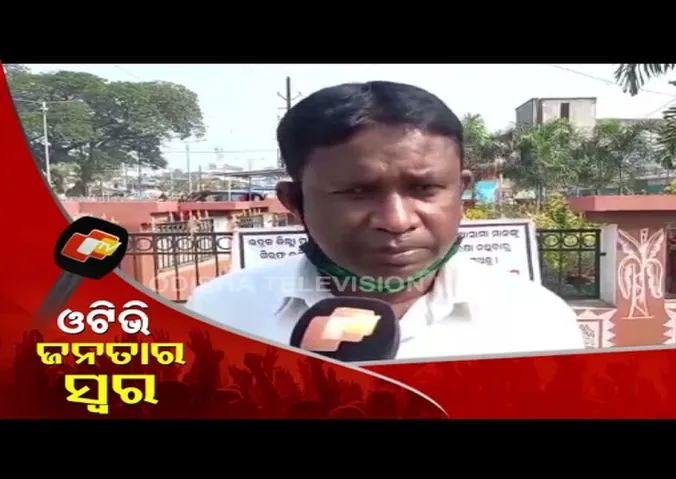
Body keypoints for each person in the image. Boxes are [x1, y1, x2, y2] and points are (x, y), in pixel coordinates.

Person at [186, 81, 585, 361]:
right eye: (357, 192)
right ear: (295, 201)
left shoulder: (534, 320)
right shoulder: (218, 316)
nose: (396, 221)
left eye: (426, 188)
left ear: (460, 191)